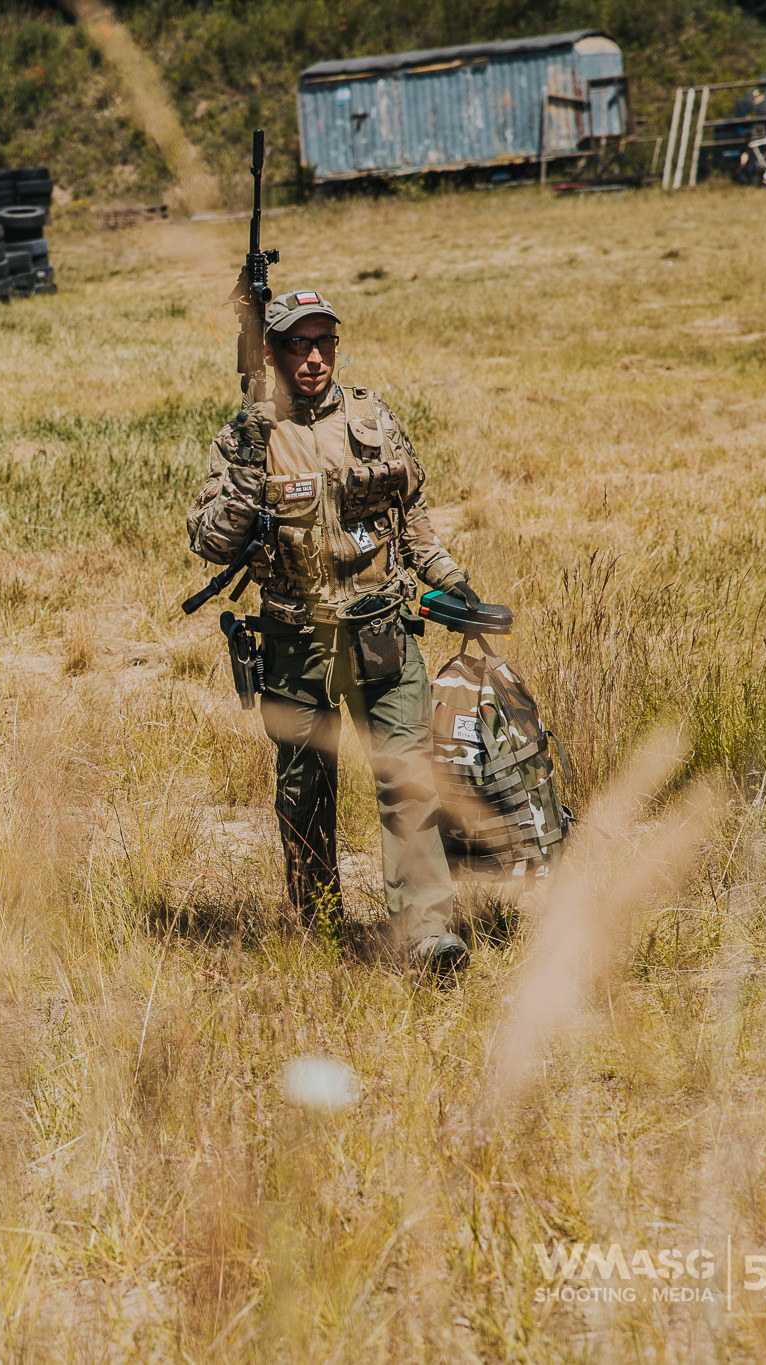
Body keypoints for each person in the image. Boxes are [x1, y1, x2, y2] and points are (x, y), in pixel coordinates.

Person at [188, 289, 478, 975]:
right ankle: (317, 927)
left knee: (409, 775)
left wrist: (452, 581)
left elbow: (413, 516)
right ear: (273, 354)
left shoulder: (373, 419)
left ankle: (425, 933)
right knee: (304, 789)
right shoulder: (245, 437)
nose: (315, 357)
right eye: (299, 343)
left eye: (325, 342)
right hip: (294, 641)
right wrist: (248, 472)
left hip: (380, 631)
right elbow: (209, 540)